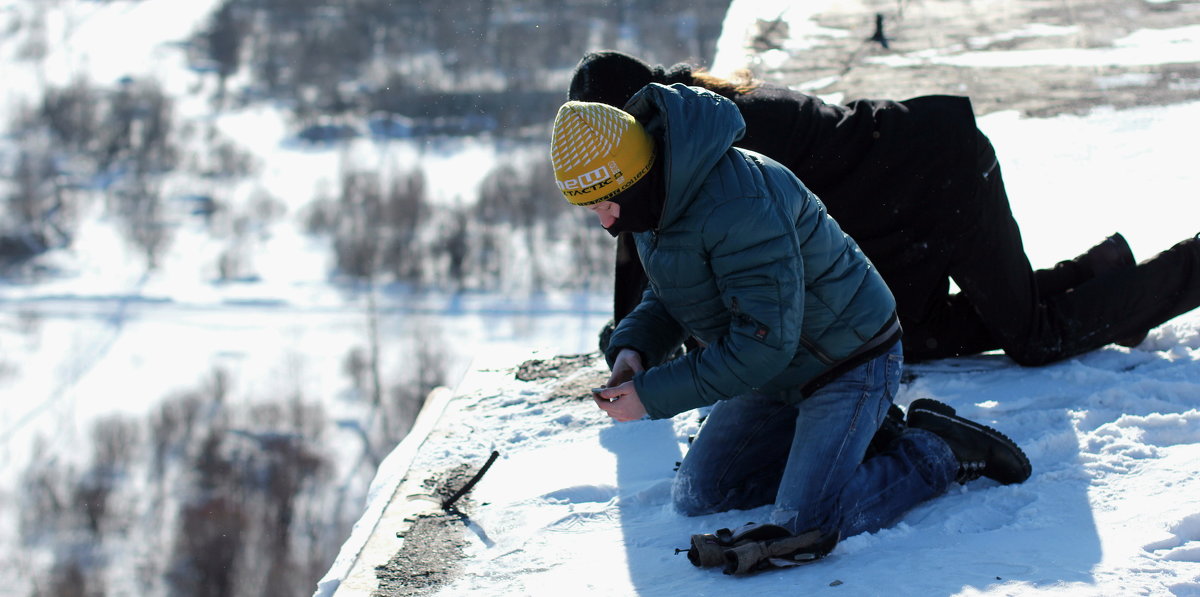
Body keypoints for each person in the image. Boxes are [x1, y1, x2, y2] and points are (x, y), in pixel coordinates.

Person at [548, 84, 1031, 574]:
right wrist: (636, 348)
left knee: (806, 525)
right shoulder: (658, 200)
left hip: (847, 361)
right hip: (779, 368)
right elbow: (675, 292)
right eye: (592, 209)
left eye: (609, 203)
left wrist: (651, 396)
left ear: (638, 177)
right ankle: (867, 439)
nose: (606, 222)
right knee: (704, 493)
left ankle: (937, 451)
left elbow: (761, 346)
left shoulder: (739, 205)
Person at [569, 50, 1200, 366]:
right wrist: (633, 341)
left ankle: (1181, 274)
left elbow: (674, 253)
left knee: (1034, 339)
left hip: (942, 178)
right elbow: (649, 241)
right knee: (910, 336)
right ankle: (1098, 273)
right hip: (893, 208)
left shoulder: (714, 136)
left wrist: (636, 346)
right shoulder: (684, 120)